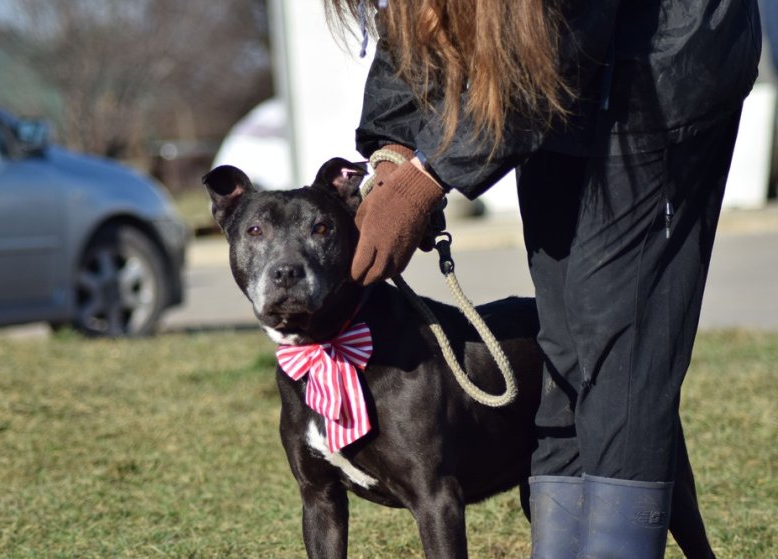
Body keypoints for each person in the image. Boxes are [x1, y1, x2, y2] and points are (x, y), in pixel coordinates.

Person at [323, 0, 761, 557]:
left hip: (657, 64)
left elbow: (552, 39)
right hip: (555, 91)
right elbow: (420, 21)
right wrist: (394, 149)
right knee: (564, 341)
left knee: (619, 341)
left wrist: (427, 179)